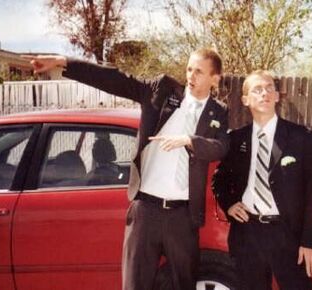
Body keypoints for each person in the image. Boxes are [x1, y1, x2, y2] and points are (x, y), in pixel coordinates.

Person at [28, 49, 229, 290]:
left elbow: (221, 148)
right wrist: (64, 63)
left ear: (214, 78)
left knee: (183, 285)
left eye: (198, 71)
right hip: (146, 210)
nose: (191, 75)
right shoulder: (162, 91)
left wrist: (190, 141)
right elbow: (116, 79)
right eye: (189, 69)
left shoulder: (218, 112)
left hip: (183, 217)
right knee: (135, 284)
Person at [212, 70, 312, 290]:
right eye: (257, 89)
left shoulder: (301, 137)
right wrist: (229, 203)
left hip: (288, 234)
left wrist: (310, 241)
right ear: (246, 100)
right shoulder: (236, 139)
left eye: (269, 88)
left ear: (276, 96)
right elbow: (220, 179)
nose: (264, 93)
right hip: (248, 233)